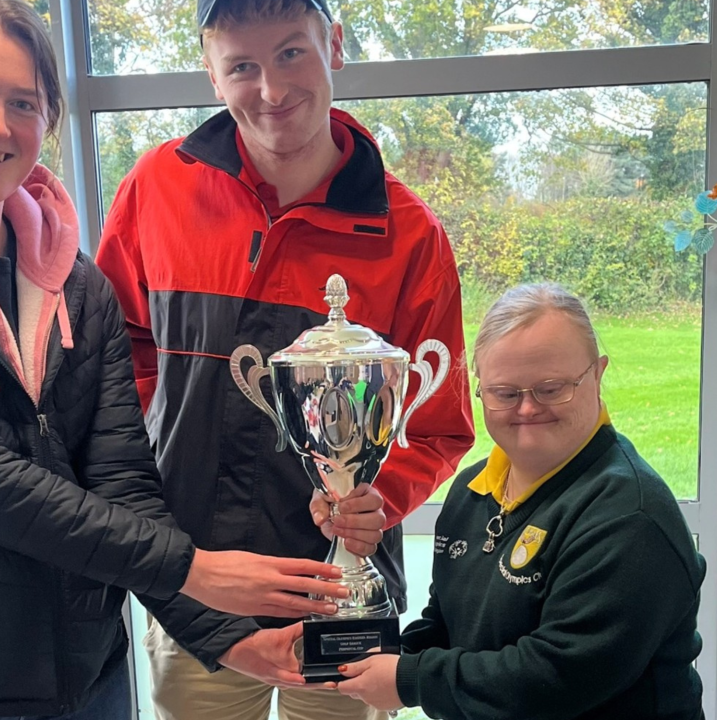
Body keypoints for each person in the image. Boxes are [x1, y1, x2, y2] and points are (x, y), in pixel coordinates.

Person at [0, 2, 358, 719]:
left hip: (88, 678)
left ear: (49, 119)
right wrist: (196, 571)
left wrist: (224, 638)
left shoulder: (74, 283)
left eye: (23, 103)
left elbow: (122, 478)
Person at [94, 0, 475, 718]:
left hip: (341, 596)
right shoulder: (155, 191)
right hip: (197, 590)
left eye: (292, 53)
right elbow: (120, 362)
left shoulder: (409, 235)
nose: (270, 90)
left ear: (334, 43)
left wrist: (377, 498)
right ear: (212, 73)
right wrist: (164, 456)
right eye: (242, 65)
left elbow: (440, 427)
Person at [334, 283, 706, 720]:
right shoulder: (472, 491)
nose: (528, 409)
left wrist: (408, 679)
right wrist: (363, 653)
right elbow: (447, 622)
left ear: (598, 373)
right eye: (505, 393)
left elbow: (555, 679)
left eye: (551, 389)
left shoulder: (629, 516)